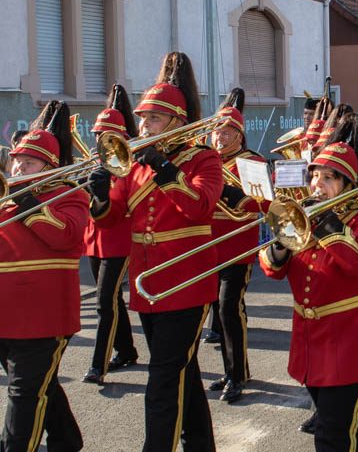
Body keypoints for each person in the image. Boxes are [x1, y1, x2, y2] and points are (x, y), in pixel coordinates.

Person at [89, 52, 221, 451]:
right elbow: (112, 220)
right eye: (142, 119)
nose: (143, 127)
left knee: (162, 379)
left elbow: (200, 205)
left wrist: (165, 168)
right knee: (182, 371)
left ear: (178, 124)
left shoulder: (204, 159)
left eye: (153, 120)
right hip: (148, 286)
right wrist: (98, 196)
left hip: (187, 285)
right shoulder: (133, 166)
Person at [259, 114, 358, 452]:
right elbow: (272, 271)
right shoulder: (304, 215)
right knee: (345, 428)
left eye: (330, 178)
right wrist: (278, 245)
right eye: (315, 175)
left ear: (348, 184)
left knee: (331, 435)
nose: (318, 184)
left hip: (353, 342)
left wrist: (326, 223)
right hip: (311, 341)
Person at [0, 101, 87, 452]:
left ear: (50, 167)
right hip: (5, 315)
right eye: (17, 160)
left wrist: (24, 203)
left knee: (25, 395)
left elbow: (66, 236)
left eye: (30, 162)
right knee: (39, 385)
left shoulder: (68, 195)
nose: (19, 166)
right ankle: (67, 440)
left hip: (43, 317)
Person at [204, 89, 268, 404]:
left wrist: (232, 193)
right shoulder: (205, 161)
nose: (219, 136)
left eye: (226, 130)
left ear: (239, 134)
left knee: (230, 308)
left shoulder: (251, 161)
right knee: (217, 309)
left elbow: (264, 204)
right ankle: (229, 371)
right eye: (216, 130)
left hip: (237, 247)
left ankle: (238, 374)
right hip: (208, 247)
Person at [82, 85, 140, 385]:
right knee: (113, 298)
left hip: (119, 240)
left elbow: (128, 203)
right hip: (94, 240)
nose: (99, 140)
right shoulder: (94, 160)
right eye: (97, 134)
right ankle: (127, 350)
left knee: (104, 302)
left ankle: (97, 365)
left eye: (106, 135)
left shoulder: (130, 165)